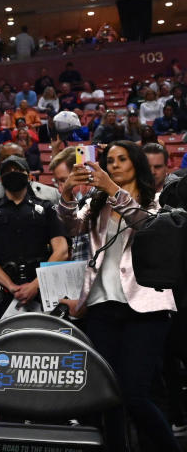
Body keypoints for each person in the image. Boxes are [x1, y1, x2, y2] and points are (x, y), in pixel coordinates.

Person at [59, 141, 179, 452]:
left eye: (121, 159)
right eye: (109, 160)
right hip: (101, 306)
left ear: (136, 164)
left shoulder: (157, 203)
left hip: (145, 308)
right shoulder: (97, 203)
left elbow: (145, 224)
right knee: (107, 395)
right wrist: (68, 194)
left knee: (136, 395)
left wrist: (111, 188)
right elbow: (71, 227)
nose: (114, 164)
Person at [0, 156, 68, 323]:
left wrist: (36, 284)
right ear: (1, 179)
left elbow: (62, 250)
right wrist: (10, 285)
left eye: (18, 170)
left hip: (42, 291)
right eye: (8, 172)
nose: (13, 174)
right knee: (4, 340)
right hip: (2, 291)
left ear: (29, 176)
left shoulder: (46, 209)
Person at [0, 143, 60, 248]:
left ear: (25, 160)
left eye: (17, 156)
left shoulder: (51, 194)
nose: (12, 160)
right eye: (6, 158)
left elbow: (65, 231)